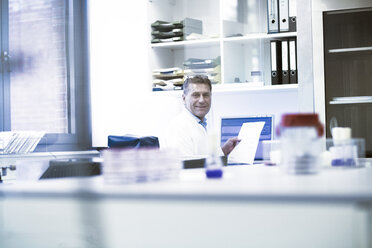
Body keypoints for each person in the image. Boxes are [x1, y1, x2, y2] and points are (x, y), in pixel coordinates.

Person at [164, 75, 240, 157]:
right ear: (184, 99)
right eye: (195, 95)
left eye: (206, 95)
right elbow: (186, 166)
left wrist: (224, 150)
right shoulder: (178, 127)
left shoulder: (203, 124)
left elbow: (206, 157)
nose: (201, 100)